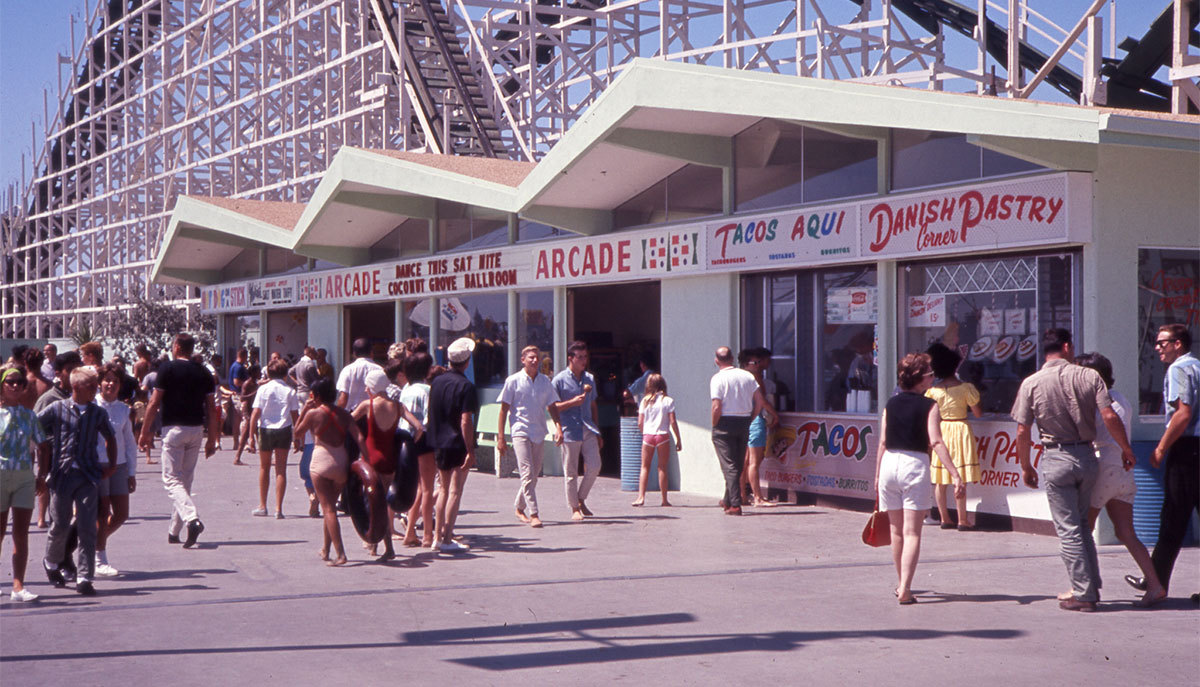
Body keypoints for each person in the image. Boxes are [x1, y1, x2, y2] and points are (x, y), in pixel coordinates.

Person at [1012, 328, 1135, 612]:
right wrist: (1125, 449)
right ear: (1067, 347)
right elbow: (1108, 415)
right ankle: (1090, 584)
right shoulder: (1089, 376)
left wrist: (1025, 465)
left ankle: (1084, 593)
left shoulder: (1031, 383)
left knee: (1068, 529)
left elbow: (1022, 429)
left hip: (1056, 458)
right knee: (1080, 525)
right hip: (1087, 457)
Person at [1066, 353, 1164, 607]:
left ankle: (1082, 589)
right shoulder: (1121, 398)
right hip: (1123, 471)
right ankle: (1154, 584)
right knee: (1126, 532)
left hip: (1103, 467)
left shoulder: (1098, 401)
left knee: (1082, 531)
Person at [874, 353, 964, 605]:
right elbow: (936, 441)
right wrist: (955, 474)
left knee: (896, 531)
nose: (933, 378)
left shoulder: (890, 404)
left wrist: (877, 473)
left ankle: (900, 582)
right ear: (921, 380)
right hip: (914, 465)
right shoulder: (929, 406)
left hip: (890, 463)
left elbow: (881, 442)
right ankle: (905, 588)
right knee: (913, 532)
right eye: (930, 375)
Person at [1127, 323, 1200, 604]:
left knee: (1173, 517)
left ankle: (1155, 583)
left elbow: (1182, 414)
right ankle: (1154, 577)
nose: (1157, 348)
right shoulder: (1196, 366)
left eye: (1162, 343)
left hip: (1187, 447)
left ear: (1178, 343)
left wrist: (1161, 447)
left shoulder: (1179, 369)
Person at [38, 366, 117, 595]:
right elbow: (34, 425)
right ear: (75, 387)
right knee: (60, 524)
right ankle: (51, 561)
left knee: (87, 528)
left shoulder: (97, 413)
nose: (95, 390)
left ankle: (84, 577)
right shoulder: (57, 408)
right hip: (62, 475)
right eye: (90, 386)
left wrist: (111, 466)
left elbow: (110, 438)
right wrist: (45, 448)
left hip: (87, 475)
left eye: (95, 386)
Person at [138, 333, 220, 549]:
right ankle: (174, 531)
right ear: (191, 349)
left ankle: (192, 519)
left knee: (172, 480)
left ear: (176, 347)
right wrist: (212, 439)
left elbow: (154, 402)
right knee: (185, 480)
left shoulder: (167, 369)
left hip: (173, 429)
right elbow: (212, 409)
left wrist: (145, 431)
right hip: (196, 430)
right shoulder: (204, 371)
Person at [293, 378, 369, 566]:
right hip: (341, 462)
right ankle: (326, 549)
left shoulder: (313, 414)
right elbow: (359, 437)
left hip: (321, 462)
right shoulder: (344, 414)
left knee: (328, 510)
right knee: (331, 509)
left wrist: (304, 410)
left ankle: (341, 554)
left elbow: (297, 433)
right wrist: (366, 459)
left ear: (316, 396)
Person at [499, 345, 563, 527]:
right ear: (523, 360)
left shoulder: (545, 381)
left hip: (539, 431)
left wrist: (559, 428)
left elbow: (552, 406)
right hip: (520, 431)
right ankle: (534, 513)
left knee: (533, 475)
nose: (535, 361)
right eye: (531, 358)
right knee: (526, 473)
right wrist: (501, 437)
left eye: (537, 358)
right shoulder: (513, 381)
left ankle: (519, 507)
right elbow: (503, 410)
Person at [1, 367, 49, 601]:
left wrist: (42, 476)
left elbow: (44, 445)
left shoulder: (29, 416)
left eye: (19, 382)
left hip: (23, 478)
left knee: (21, 533)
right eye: (9, 381)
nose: (14, 385)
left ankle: (18, 585)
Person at [925, 342, 983, 530]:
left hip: (941, 430)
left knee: (941, 479)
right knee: (961, 474)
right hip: (961, 428)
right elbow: (978, 413)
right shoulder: (966, 388)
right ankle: (962, 519)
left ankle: (944, 518)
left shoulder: (933, 391)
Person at [428, 338, 479, 552]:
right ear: (466, 362)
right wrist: (470, 450)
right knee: (455, 492)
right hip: (457, 442)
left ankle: (436, 536)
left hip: (438, 441)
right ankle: (447, 538)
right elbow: (465, 420)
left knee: (443, 489)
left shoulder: (437, 382)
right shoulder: (466, 386)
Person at [710, 346, 766, 515]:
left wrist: (714, 424)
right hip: (743, 421)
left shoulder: (717, 379)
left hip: (724, 423)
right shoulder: (747, 376)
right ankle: (728, 500)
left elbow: (716, 406)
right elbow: (760, 401)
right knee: (737, 463)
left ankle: (735, 504)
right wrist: (751, 417)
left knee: (729, 466)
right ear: (732, 358)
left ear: (716, 360)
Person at [94, 364, 138, 577]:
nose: (111, 384)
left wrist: (132, 472)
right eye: (107, 380)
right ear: (100, 383)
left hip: (119, 466)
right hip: (98, 466)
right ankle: (100, 558)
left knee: (121, 515)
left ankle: (91, 542)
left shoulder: (123, 409)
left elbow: (129, 442)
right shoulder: (91, 405)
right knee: (102, 514)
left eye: (115, 381)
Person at [551, 342, 601, 520]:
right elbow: (552, 407)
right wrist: (573, 402)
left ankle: (580, 498)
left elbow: (593, 404)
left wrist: (598, 430)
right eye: (580, 357)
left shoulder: (590, 379)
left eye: (585, 357)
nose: (584, 361)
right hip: (569, 429)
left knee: (595, 465)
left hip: (588, 428)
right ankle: (574, 508)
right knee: (571, 471)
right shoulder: (559, 380)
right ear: (570, 358)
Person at [34, 351, 82, 528]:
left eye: (78, 369)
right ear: (58, 373)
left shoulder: (85, 397)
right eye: (70, 370)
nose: (74, 374)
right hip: (59, 467)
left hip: (83, 466)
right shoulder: (50, 399)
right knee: (60, 520)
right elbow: (35, 428)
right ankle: (56, 555)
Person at [248, 359, 299, 518]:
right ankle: (279, 509)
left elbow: (255, 413)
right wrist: (297, 437)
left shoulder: (263, 389)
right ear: (285, 374)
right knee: (281, 469)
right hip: (284, 430)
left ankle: (263, 505)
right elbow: (295, 416)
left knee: (264, 467)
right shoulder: (290, 391)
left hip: (265, 429)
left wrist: (251, 436)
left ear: (268, 373)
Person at [399, 352, 435, 548]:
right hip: (423, 438)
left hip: (406, 438)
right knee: (428, 488)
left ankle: (410, 531)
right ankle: (428, 533)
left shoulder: (406, 389)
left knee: (418, 488)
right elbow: (429, 420)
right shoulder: (427, 390)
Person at [633, 373, 681, 507]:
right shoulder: (668, 400)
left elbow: (640, 422)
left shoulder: (644, 401)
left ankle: (641, 497)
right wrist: (678, 438)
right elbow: (672, 421)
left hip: (648, 435)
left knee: (644, 467)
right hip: (662, 435)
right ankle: (664, 499)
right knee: (662, 467)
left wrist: (644, 432)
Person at [740, 348, 779, 507]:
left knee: (745, 461)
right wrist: (774, 414)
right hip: (755, 420)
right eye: (755, 362)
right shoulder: (754, 378)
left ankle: (741, 494)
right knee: (754, 462)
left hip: (743, 419)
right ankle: (758, 497)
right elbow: (761, 400)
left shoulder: (739, 377)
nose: (759, 365)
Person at [337, 338, 382, 411]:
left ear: (354, 353)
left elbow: (343, 398)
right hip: (373, 416)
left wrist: (337, 417)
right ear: (371, 352)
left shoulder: (348, 370)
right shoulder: (379, 370)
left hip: (352, 416)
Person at [235, 364, 261, 463]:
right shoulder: (247, 383)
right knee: (246, 433)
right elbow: (242, 398)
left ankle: (264, 455)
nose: (260, 373)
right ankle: (237, 457)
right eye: (258, 371)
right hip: (247, 409)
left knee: (258, 432)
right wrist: (254, 393)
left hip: (253, 409)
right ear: (253, 373)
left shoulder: (255, 383)